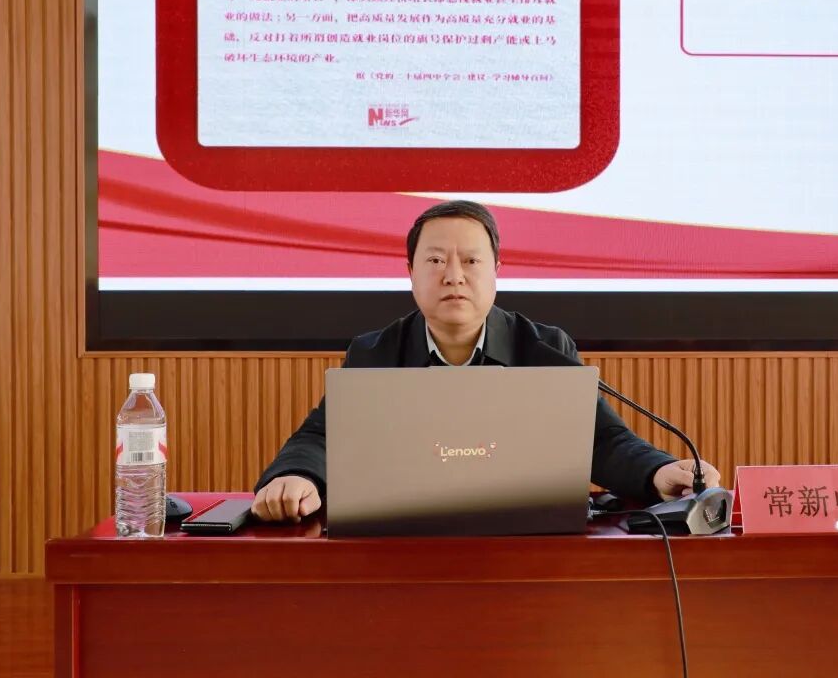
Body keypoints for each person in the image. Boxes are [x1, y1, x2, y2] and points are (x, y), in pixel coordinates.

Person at [252, 200, 721, 522]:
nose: (453, 276)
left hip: (524, 538)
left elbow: (602, 440)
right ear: (410, 272)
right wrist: (296, 476)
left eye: (471, 261)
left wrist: (658, 471)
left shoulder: (543, 348)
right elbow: (323, 436)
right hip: (405, 537)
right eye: (435, 261)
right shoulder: (375, 352)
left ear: (496, 270)